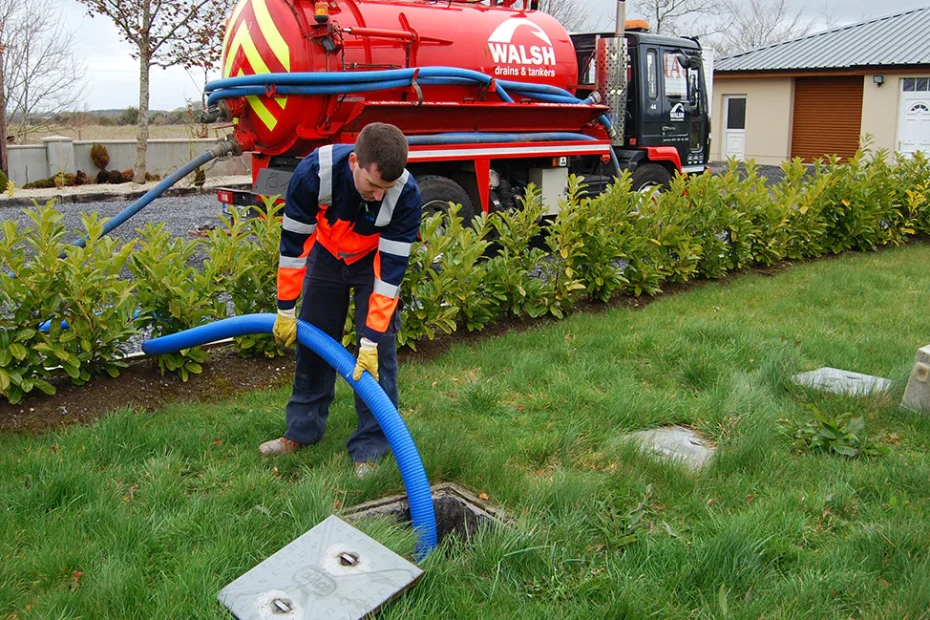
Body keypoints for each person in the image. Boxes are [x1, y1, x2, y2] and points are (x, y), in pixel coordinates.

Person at [261, 122, 422, 479]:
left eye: (386, 188)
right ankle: (300, 432)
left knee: (377, 355)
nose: (378, 196)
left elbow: (389, 276)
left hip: (372, 262)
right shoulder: (313, 174)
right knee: (315, 342)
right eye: (372, 186)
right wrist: (285, 310)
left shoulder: (406, 195)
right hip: (327, 253)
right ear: (354, 162)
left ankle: (371, 447)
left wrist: (369, 338)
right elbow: (292, 250)